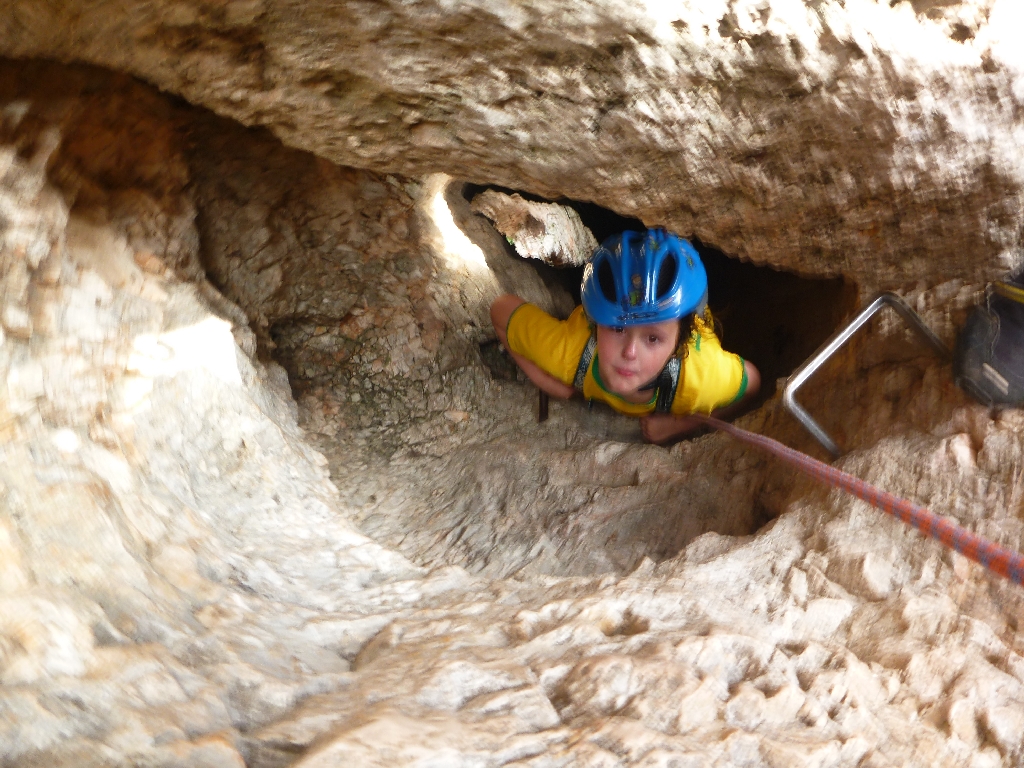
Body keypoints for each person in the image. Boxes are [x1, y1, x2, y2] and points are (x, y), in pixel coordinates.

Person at [490, 228, 760, 444]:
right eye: (617, 329)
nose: (630, 352)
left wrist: (679, 425)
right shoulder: (570, 353)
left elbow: (751, 384)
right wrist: (551, 384)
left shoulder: (699, 377)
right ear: (594, 324)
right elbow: (500, 309)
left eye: (653, 339)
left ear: (679, 343)